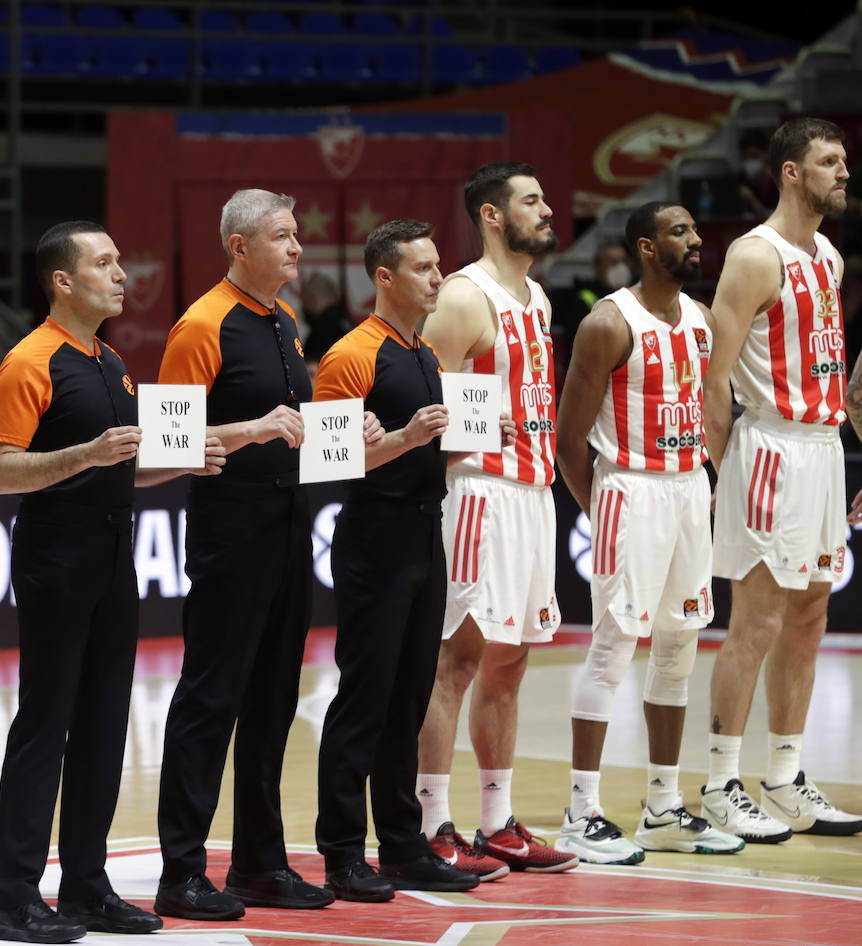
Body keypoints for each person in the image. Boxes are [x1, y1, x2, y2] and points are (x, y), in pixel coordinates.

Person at [0, 221, 224, 943]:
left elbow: (124, 464)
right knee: (45, 723)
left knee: (104, 723)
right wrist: (85, 454)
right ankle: (14, 899)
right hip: (56, 552)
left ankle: (86, 886)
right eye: (105, 262)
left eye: (119, 261)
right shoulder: (30, 360)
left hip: (115, 551)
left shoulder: (112, 361)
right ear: (63, 280)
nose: (122, 274)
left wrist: (180, 461)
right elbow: (0, 472)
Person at [153, 188, 381, 921]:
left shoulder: (283, 320)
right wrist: (250, 431)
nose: (297, 247)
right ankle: (182, 871)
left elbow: (293, 426)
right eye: (282, 236)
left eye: (295, 234)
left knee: (274, 700)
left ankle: (259, 863)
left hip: (289, 524)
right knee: (210, 699)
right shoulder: (201, 325)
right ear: (240, 246)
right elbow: (166, 444)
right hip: (231, 531)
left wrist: (346, 428)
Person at [313, 219, 517, 901]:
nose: (438, 278)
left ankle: (402, 845)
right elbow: (330, 461)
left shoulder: (426, 355)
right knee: (365, 699)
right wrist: (405, 437)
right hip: (374, 538)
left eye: (438, 266)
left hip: (426, 534)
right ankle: (343, 852)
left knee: (407, 698)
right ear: (385, 277)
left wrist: (473, 440)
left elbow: (426, 451)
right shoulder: (350, 355)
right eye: (424, 268)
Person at [553, 201, 744, 863]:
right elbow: (567, 440)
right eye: (678, 231)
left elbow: (712, 409)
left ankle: (663, 808)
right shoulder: (608, 323)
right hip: (630, 490)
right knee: (612, 648)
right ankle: (580, 813)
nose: (695, 239)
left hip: (689, 488)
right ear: (645, 246)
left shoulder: (702, 319)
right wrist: (602, 509)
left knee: (679, 647)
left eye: (694, 229)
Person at [414, 161, 578, 876]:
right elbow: (418, 398)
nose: (547, 211)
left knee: (510, 661)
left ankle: (497, 822)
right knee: (457, 660)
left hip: (533, 494)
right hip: (478, 491)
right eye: (531, 201)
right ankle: (430, 824)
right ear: (491, 214)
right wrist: (467, 439)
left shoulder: (536, 296)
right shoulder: (463, 296)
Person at [700, 117, 862, 840]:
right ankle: (719, 783)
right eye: (830, 160)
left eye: (844, 159)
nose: (844, 171)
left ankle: (786, 778)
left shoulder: (828, 256)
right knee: (757, 621)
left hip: (823, 446)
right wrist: (722, 470)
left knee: (810, 616)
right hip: (769, 445)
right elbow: (714, 378)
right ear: (791, 172)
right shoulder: (753, 255)